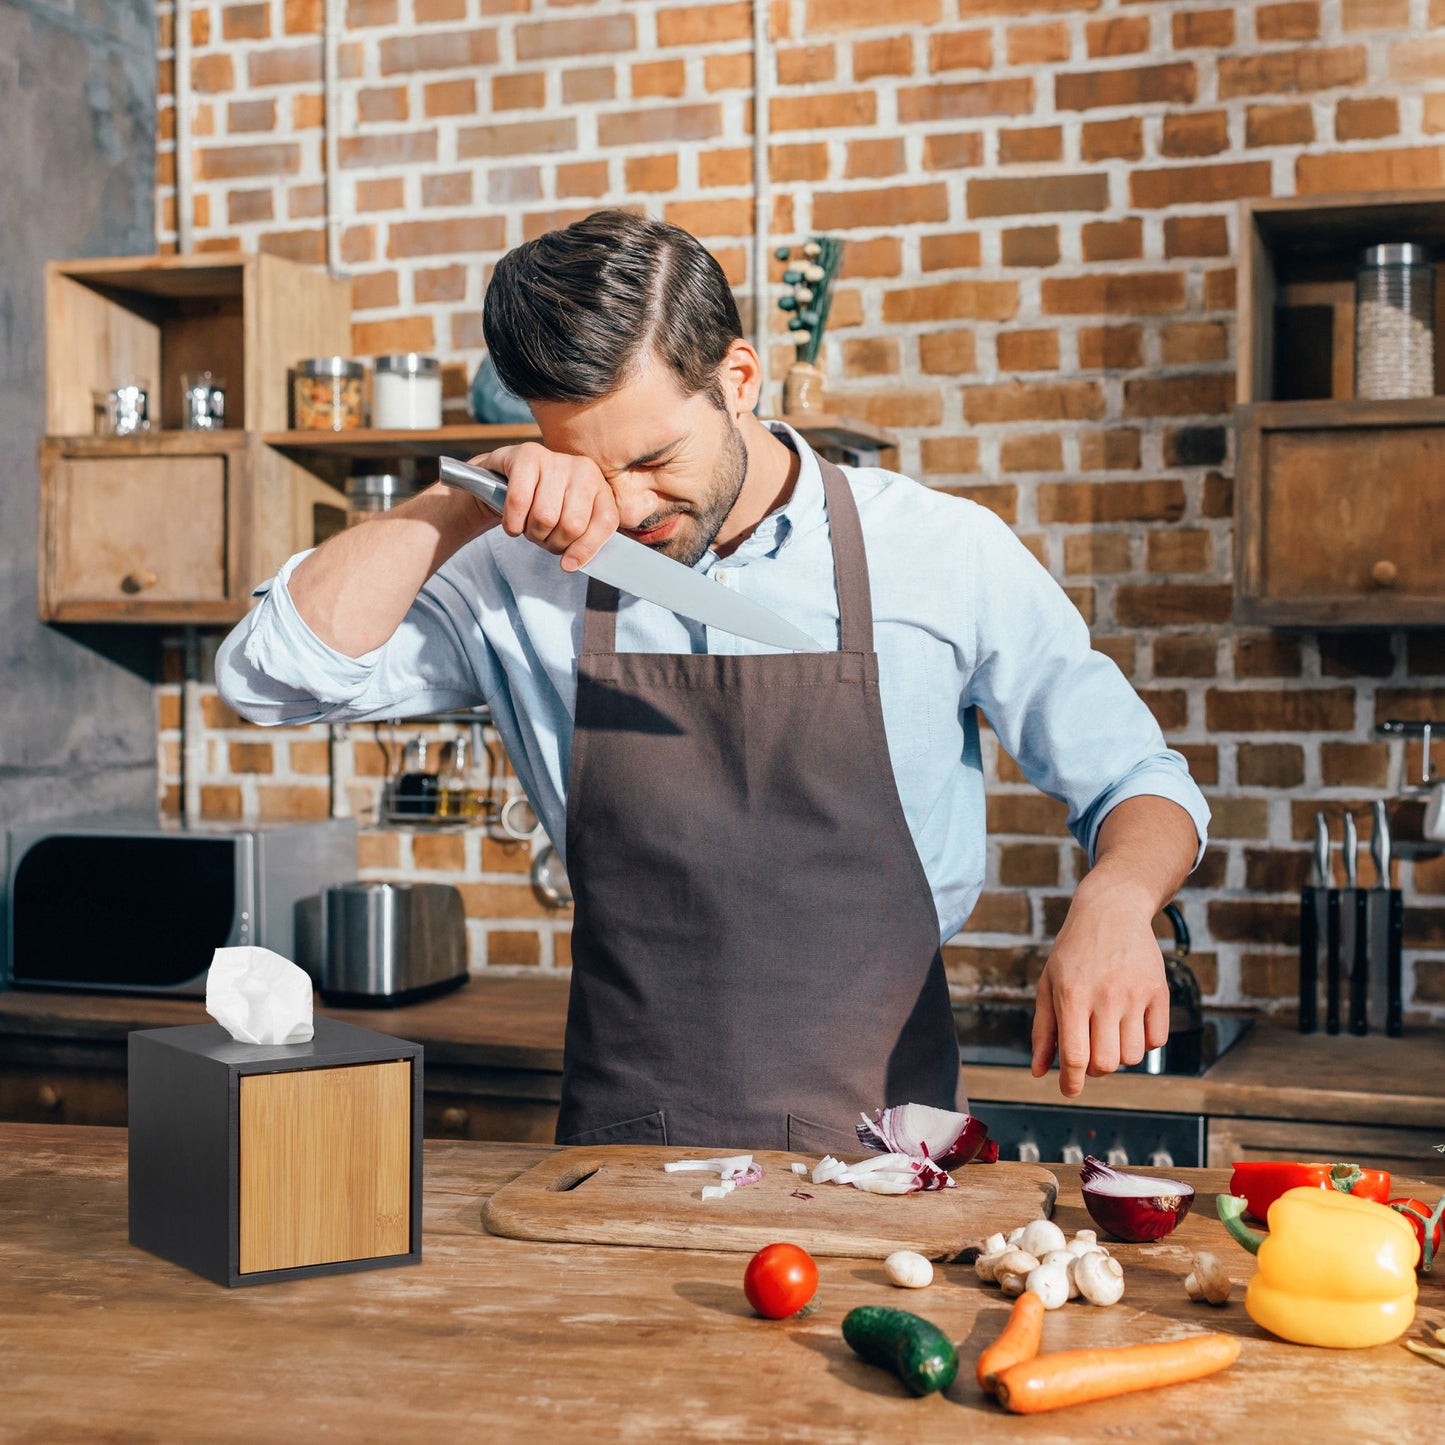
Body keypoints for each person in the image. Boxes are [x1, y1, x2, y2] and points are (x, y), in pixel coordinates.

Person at [216, 210, 1209, 1153]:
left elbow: (1137, 780)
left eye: (654, 458)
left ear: (738, 378)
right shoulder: (515, 575)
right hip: (625, 1146)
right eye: (584, 462)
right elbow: (270, 677)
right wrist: (455, 504)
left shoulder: (940, 553)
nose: (626, 503)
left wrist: (1116, 901)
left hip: (890, 1139)